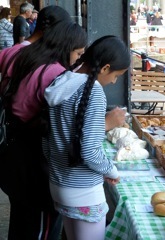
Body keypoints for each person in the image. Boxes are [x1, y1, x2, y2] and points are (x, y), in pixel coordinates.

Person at [0, 19, 87, 240]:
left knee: (21, 222)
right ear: (66, 47)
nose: (78, 60)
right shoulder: (55, 74)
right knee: (42, 229)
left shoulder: (25, 57)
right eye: (77, 54)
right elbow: (64, 127)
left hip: (12, 154)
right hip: (35, 164)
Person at [43, 35, 130, 240]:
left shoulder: (62, 82)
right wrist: (111, 170)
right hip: (84, 192)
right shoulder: (93, 92)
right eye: (116, 75)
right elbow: (89, 150)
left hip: (58, 184)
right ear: (105, 68)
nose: (114, 81)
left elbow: (47, 140)